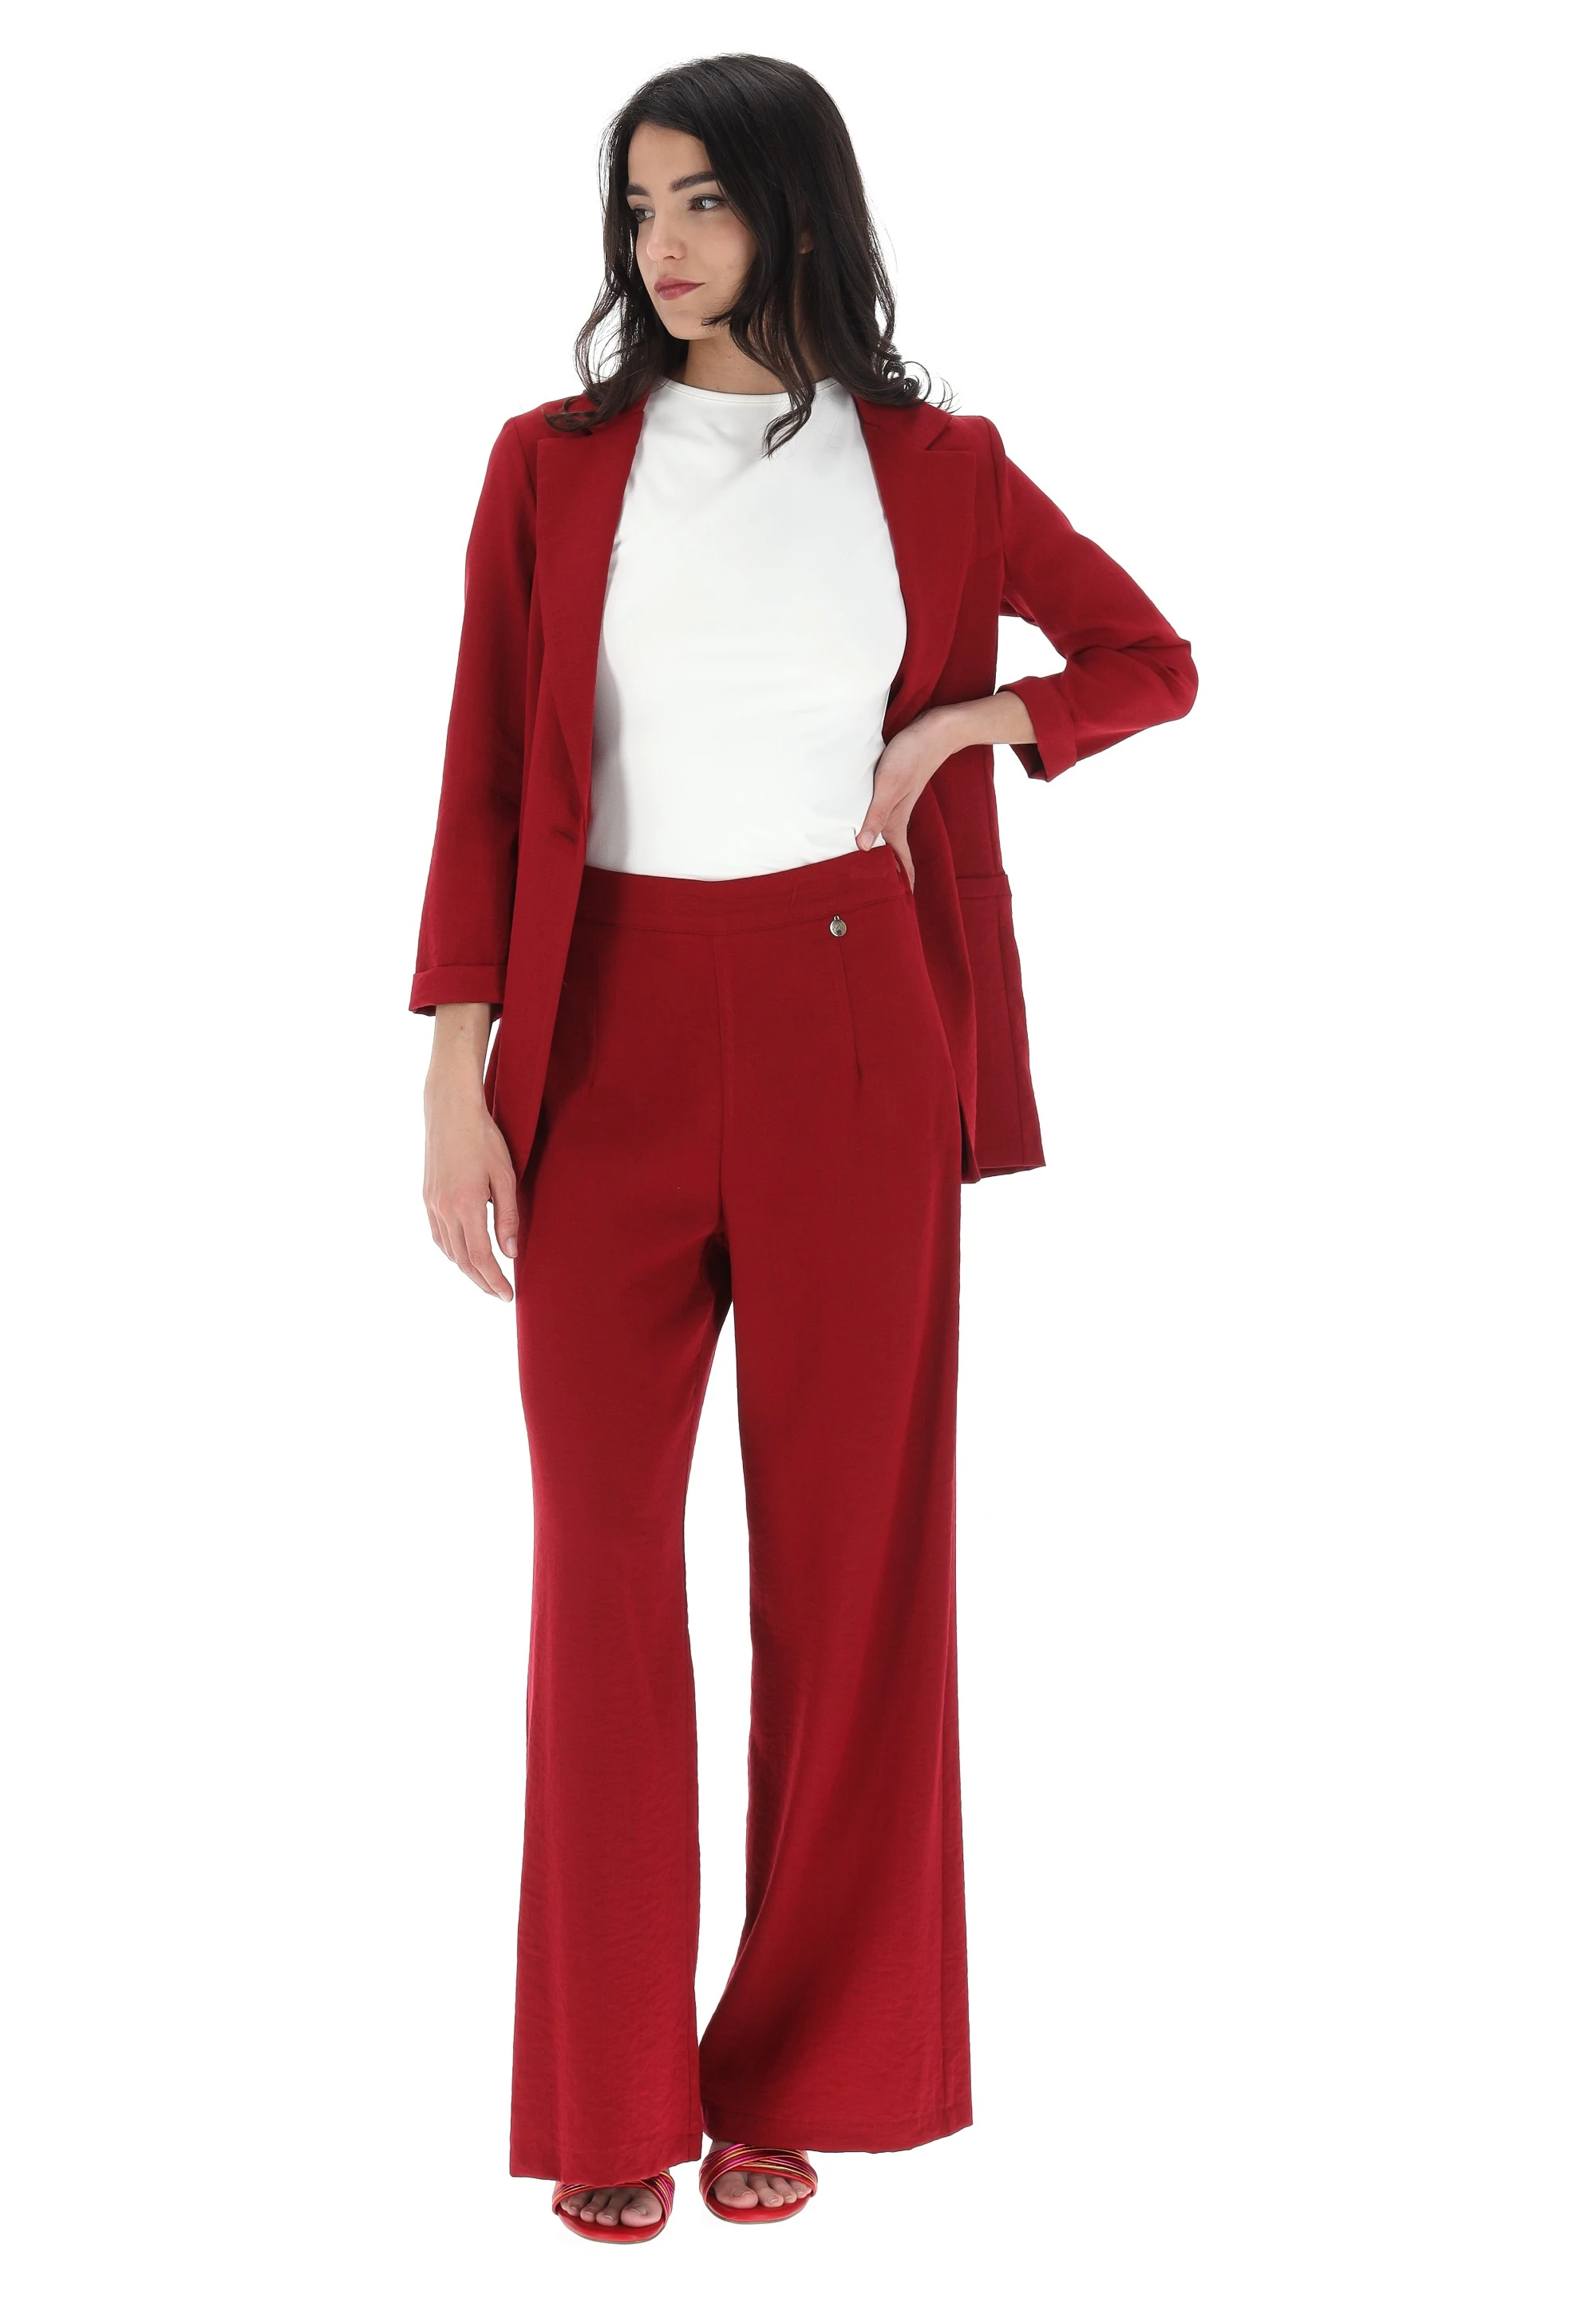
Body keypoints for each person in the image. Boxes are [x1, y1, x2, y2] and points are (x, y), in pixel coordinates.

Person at [412, 52, 1198, 2245]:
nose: (663, 247)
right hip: (605, 1037)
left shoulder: (939, 469)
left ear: (798, 211)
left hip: (856, 1015)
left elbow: (1151, 656)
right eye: (639, 206)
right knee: (600, 1564)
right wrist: (456, 1068)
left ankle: (795, 2076)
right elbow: (484, 770)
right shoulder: (552, 466)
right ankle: (609, 2090)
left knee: (854, 1573)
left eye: (705, 202)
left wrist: (972, 724)